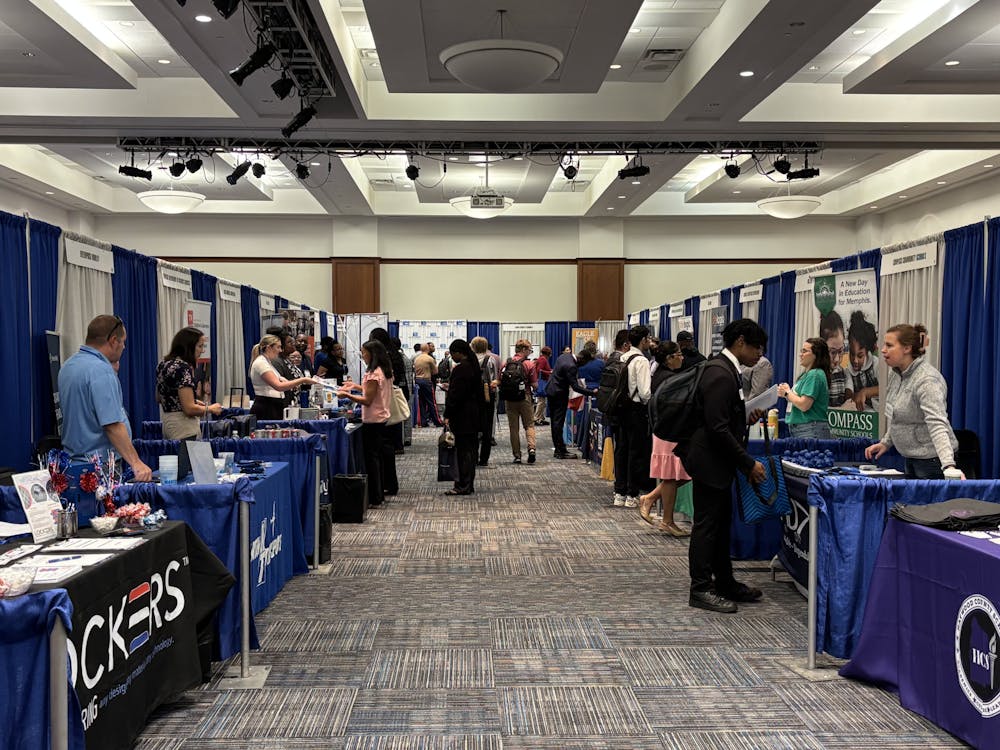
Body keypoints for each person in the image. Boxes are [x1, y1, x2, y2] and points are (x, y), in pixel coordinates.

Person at [674, 318, 768, 614]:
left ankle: (724, 581)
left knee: (720, 525)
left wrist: (744, 418)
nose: (759, 355)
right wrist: (748, 463)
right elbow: (716, 428)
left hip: (716, 460)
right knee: (707, 527)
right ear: (740, 342)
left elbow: (722, 418)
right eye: (757, 348)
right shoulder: (720, 373)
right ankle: (700, 587)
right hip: (709, 460)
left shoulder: (726, 369)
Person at [58, 315, 153, 481]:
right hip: (99, 468)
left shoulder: (68, 366)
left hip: (72, 465)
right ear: (113, 340)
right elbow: (112, 425)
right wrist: (136, 463)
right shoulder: (101, 370)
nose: (124, 347)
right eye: (123, 342)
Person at [865, 324, 959, 479]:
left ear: (907, 348)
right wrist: (886, 442)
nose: (882, 350)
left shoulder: (927, 380)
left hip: (933, 462)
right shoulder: (895, 374)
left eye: (889, 345)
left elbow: (937, 423)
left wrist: (948, 465)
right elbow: (897, 416)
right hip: (911, 458)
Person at [639, 341, 691, 536]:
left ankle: (651, 499)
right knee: (672, 476)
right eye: (678, 354)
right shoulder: (669, 379)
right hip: (669, 432)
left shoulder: (661, 375)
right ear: (669, 358)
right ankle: (667, 520)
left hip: (666, 431)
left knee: (679, 475)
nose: (682, 357)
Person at [338, 339, 395, 505]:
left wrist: (347, 395)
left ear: (372, 354)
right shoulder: (384, 371)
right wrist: (355, 386)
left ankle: (375, 496)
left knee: (372, 459)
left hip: (373, 419)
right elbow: (373, 391)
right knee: (377, 458)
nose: (362, 355)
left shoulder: (373, 374)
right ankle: (378, 494)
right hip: (381, 417)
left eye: (363, 352)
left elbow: (368, 400)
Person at [156, 326, 223, 440]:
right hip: (184, 427)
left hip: (167, 424)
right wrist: (211, 408)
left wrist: (194, 401)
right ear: (189, 347)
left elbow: (160, 397)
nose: (202, 350)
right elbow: (189, 409)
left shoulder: (163, 365)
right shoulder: (183, 368)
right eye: (200, 346)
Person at [612, 325, 653, 508]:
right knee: (635, 452)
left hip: (621, 409)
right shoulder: (642, 361)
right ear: (643, 340)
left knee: (621, 449)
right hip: (636, 409)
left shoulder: (623, 357)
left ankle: (618, 492)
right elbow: (645, 393)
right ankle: (632, 494)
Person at [443, 339, 483, 495]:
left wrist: (447, 414)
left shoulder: (461, 370)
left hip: (462, 416)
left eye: (453, 353)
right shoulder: (473, 367)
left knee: (462, 453)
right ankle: (467, 484)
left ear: (459, 352)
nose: (452, 356)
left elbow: (455, 396)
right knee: (470, 452)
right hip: (473, 415)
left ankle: (462, 485)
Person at [249, 334, 317, 420]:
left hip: (273, 406)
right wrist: (302, 380)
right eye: (278, 347)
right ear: (269, 348)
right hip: (266, 407)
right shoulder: (261, 363)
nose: (280, 350)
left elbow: (283, 381)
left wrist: (292, 384)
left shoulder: (268, 362)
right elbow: (279, 386)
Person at [778, 338, 832, 439]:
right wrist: (787, 393)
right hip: (803, 429)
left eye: (805, 351)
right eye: (801, 351)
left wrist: (787, 393)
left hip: (810, 429)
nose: (800, 354)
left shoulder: (814, 374)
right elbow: (798, 401)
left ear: (816, 355)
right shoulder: (807, 375)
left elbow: (804, 405)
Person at [546, 348, 594, 459]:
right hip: (559, 394)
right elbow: (575, 387)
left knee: (554, 421)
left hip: (551, 390)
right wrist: (592, 392)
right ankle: (560, 451)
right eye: (585, 363)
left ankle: (559, 449)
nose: (583, 366)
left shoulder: (564, 356)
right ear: (582, 359)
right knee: (558, 423)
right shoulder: (571, 366)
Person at [369, 328, 408, 459]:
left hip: (386, 392)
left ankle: (393, 446)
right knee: (394, 420)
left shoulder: (383, 355)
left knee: (388, 421)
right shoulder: (395, 353)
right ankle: (397, 445)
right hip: (395, 390)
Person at [500, 339, 538, 464]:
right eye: (529, 350)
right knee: (529, 425)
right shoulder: (529, 364)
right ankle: (531, 449)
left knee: (513, 428)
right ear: (523, 350)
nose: (530, 352)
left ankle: (517, 455)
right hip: (525, 397)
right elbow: (535, 385)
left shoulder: (506, 363)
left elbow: (500, 380)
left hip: (510, 400)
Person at [471, 336, 498, 467]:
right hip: (487, 396)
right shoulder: (490, 360)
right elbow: (494, 380)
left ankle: (473, 456)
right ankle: (484, 459)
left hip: (472, 396)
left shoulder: (469, 360)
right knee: (487, 427)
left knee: (473, 426)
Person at [848, 310, 879, 411]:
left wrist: (865, 392)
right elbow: (849, 394)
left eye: (860, 356)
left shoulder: (876, 364)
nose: (855, 360)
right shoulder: (848, 371)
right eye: (852, 354)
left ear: (867, 351)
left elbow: (886, 388)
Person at [820, 310, 851, 407]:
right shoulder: (815, 374)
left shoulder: (842, 372)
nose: (837, 359)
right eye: (832, 352)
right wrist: (841, 410)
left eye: (841, 350)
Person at [413, 343, 442, 427]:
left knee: (421, 402)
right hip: (426, 380)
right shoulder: (429, 359)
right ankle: (437, 421)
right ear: (428, 349)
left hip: (417, 381)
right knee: (431, 402)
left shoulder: (416, 359)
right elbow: (435, 372)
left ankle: (423, 422)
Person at [533, 346, 553, 426]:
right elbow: (539, 370)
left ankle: (541, 418)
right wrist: (549, 372)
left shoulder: (542, 359)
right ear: (548, 353)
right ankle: (536, 418)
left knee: (543, 401)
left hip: (542, 381)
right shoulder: (543, 359)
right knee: (541, 401)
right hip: (542, 382)